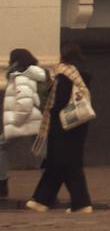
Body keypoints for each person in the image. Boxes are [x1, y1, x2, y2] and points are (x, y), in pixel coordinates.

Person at [25, 43, 93, 214]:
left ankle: (81, 203)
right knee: (59, 163)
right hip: (79, 124)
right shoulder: (81, 74)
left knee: (65, 163)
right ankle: (41, 200)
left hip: (63, 125)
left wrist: (49, 108)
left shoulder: (64, 75)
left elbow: (59, 101)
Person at [3, 48, 49, 199]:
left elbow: (25, 103)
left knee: (1, 147)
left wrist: (15, 121)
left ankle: (1, 184)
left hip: (24, 121)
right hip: (37, 121)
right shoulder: (35, 74)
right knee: (42, 155)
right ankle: (48, 190)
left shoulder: (21, 76)